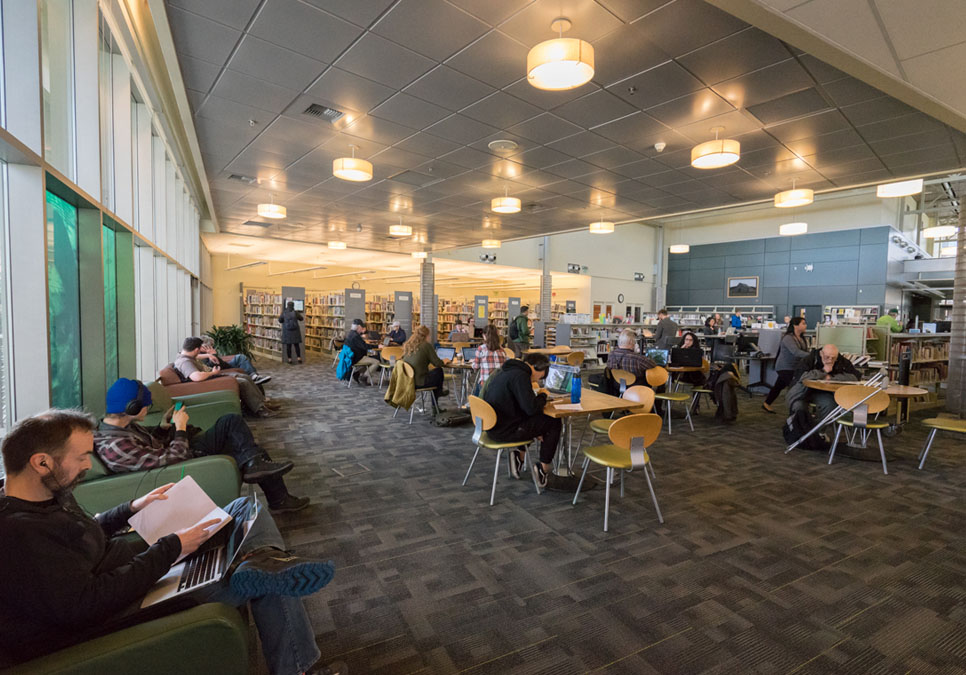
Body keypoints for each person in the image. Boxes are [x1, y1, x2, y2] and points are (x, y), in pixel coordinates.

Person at [0, 410, 345, 675]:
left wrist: (131, 508)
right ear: (41, 462)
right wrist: (171, 548)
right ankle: (295, 657)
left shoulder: (46, 495)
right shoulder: (19, 535)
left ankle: (260, 559)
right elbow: (85, 605)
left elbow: (83, 532)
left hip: (136, 569)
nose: (87, 465)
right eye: (80, 457)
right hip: (123, 608)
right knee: (268, 582)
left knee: (243, 508)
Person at [94, 378, 308, 513]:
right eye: (146, 405)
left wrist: (163, 427)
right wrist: (180, 428)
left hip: (179, 452)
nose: (148, 408)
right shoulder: (116, 446)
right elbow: (172, 459)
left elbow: (152, 445)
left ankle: (272, 489)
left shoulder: (122, 428)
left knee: (251, 451)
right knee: (233, 426)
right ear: (132, 407)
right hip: (182, 464)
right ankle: (266, 482)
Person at [482, 353, 561, 492]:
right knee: (554, 422)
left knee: (535, 421)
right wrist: (543, 395)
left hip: (493, 426)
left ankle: (519, 456)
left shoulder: (506, 371)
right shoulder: (521, 377)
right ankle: (543, 468)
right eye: (541, 375)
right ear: (538, 368)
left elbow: (522, 406)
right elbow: (531, 409)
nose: (538, 379)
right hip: (505, 431)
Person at [175, 337, 278, 417]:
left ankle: (262, 403)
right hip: (209, 381)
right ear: (196, 349)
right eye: (199, 351)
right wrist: (212, 373)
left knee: (245, 376)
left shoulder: (184, 355)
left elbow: (196, 356)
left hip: (212, 376)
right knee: (243, 382)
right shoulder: (185, 362)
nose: (199, 353)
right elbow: (196, 377)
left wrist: (208, 355)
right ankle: (260, 410)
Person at [786, 344, 860, 428]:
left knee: (829, 405)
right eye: (827, 357)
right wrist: (823, 371)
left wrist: (831, 378)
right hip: (803, 390)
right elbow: (801, 377)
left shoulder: (841, 360)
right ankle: (800, 431)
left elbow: (855, 377)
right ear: (821, 354)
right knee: (798, 406)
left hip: (823, 392)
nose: (830, 360)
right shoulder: (809, 359)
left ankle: (818, 431)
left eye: (833, 358)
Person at [762, 317, 810, 413]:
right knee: (795, 387)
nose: (805, 325)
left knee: (779, 385)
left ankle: (766, 403)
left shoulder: (802, 338)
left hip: (795, 367)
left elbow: (804, 352)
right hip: (785, 367)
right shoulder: (788, 338)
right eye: (803, 323)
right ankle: (797, 410)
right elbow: (796, 352)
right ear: (795, 325)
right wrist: (813, 355)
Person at [402, 325, 450, 401]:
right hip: (419, 382)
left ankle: (436, 405)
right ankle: (439, 394)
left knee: (434, 376)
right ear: (426, 336)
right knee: (439, 371)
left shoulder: (408, 345)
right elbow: (437, 363)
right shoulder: (426, 345)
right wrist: (444, 361)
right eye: (429, 335)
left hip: (408, 381)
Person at [199, 335, 271, 385]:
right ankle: (254, 377)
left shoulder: (205, 353)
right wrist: (213, 355)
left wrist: (212, 354)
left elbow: (219, 361)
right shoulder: (201, 356)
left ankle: (254, 376)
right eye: (210, 345)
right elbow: (214, 365)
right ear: (203, 346)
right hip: (224, 368)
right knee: (241, 358)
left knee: (240, 357)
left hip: (225, 364)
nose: (212, 347)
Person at [344, 319, 381, 385]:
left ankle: (357, 373)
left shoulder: (350, 334)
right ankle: (364, 377)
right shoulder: (356, 336)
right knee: (376, 362)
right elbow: (365, 346)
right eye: (361, 328)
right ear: (358, 327)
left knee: (373, 355)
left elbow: (361, 346)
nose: (362, 330)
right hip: (357, 357)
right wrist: (378, 346)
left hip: (352, 357)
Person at [470, 324, 507, 391]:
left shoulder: (481, 349)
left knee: (474, 394)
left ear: (484, 335)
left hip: (485, 385)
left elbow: (476, 367)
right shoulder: (502, 350)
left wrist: (473, 362)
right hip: (500, 385)